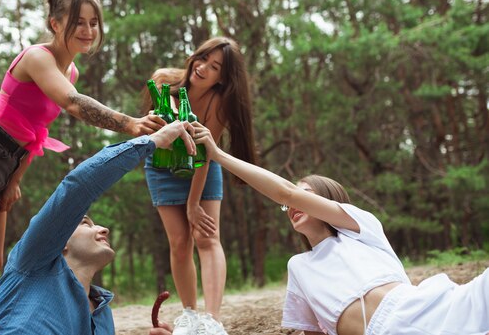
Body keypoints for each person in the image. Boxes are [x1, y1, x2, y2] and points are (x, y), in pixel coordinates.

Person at [0, 0, 164, 335]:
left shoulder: (70, 69)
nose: (87, 30)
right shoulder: (38, 58)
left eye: (93, 22)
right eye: (77, 22)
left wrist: (14, 180)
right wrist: (129, 123)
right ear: (55, 23)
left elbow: (35, 132)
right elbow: (72, 104)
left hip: (2, 168)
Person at [192, 123, 489, 335]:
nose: (294, 204)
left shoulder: (361, 227)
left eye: (306, 195)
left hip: (430, 308)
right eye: (291, 203)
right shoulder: (299, 266)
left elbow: (286, 193)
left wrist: (219, 155)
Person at [0, 121, 193, 335]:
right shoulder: (33, 260)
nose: (104, 230)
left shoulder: (103, 316)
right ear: (60, 240)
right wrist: (153, 141)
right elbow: (78, 187)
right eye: (85, 223)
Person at [143, 37, 256, 335]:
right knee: (180, 243)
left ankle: (211, 320)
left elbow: (203, 156)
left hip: (202, 166)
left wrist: (193, 205)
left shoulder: (218, 103)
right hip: (162, 166)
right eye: (203, 58)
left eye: (215, 66)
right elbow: (169, 124)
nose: (203, 67)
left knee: (207, 237)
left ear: (223, 77)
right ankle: (190, 315)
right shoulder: (164, 81)